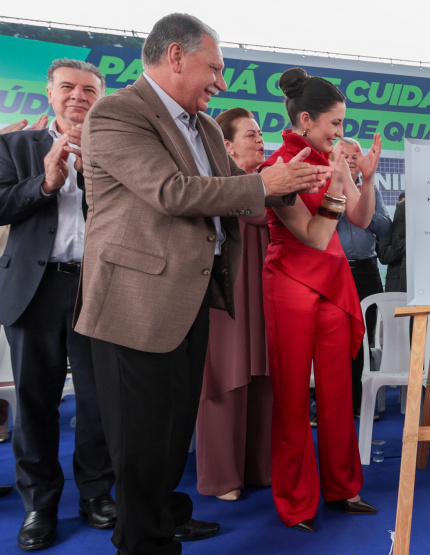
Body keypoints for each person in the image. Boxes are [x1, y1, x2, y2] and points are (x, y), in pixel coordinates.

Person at [75, 14, 329, 554]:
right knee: (140, 443)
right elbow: (172, 192)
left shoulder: (207, 126)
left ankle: (164, 517)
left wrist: (292, 186)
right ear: (174, 56)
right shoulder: (117, 113)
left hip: (192, 300)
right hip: (133, 304)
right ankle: (144, 541)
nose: (220, 81)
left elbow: (235, 190)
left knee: (169, 438)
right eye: (212, 68)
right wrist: (265, 183)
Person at [0, 58, 116, 551]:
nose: (78, 97)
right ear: (49, 94)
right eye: (68, 87)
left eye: (89, 90)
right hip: (35, 289)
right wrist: (46, 183)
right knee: (34, 404)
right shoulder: (14, 146)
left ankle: (95, 495)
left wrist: (93, 180)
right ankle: (39, 506)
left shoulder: (116, 149)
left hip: (97, 289)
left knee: (97, 403)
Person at [262, 67, 382, 532]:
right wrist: (334, 190)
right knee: (293, 397)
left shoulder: (333, 159)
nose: (340, 133)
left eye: (342, 124)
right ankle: (295, 502)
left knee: (337, 394)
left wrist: (364, 180)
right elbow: (312, 236)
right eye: (334, 124)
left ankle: (343, 488)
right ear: (306, 119)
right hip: (291, 280)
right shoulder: (276, 168)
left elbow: (361, 217)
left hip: (334, 283)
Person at [195, 107, 272, 502]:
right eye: (250, 134)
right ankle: (222, 476)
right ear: (225, 146)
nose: (260, 139)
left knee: (263, 377)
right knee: (227, 377)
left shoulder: (272, 184)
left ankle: (260, 467)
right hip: (226, 294)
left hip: (268, 294)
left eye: (261, 134)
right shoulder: (213, 184)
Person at [336, 136, 392, 417]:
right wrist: (342, 199)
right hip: (335, 271)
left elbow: (384, 229)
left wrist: (363, 206)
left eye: (354, 157)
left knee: (362, 340)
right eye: (344, 156)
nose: (350, 161)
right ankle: (326, 405)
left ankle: (358, 403)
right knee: (332, 341)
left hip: (368, 273)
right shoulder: (327, 189)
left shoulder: (371, 190)